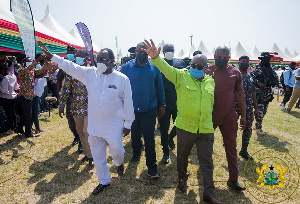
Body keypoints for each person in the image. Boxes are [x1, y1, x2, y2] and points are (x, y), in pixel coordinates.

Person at [38, 41, 135, 195]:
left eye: (103, 60)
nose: (100, 62)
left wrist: (128, 123)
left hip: (113, 126)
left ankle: (118, 163)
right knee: (98, 155)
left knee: (117, 151)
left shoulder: (122, 79)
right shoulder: (90, 74)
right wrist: (54, 57)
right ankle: (104, 180)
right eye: (99, 59)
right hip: (95, 126)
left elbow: (129, 103)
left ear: (112, 62)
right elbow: (71, 67)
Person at [143, 39, 221, 204]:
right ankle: (182, 178)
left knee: (207, 162)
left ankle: (209, 193)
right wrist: (156, 58)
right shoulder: (181, 76)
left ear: (206, 68)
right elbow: (166, 69)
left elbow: (211, 103)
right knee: (182, 157)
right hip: (186, 127)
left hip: (205, 129)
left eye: (200, 67)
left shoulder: (210, 82)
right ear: (191, 64)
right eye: (194, 65)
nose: (196, 69)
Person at [120, 42, 166, 179]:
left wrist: (162, 103)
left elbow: (160, 87)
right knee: (134, 135)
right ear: (135, 52)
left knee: (149, 138)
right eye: (140, 51)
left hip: (149, 108)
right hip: (132, 109)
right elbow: (119, 86)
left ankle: (152, 168)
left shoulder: (155, 68)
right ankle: (136, 153)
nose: (143, 53)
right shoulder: (126, 68)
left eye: (145, 51)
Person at [205, 46, 246, 191]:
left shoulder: (235, 72)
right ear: (214, 55)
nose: (221, 59)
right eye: (219, 56)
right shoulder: (206, 70)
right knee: (206, 148)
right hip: (208, 116)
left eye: (225, 57)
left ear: (229, 57)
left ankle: (233, 179)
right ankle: (205, 177)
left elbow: (240, 95)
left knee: (231, 148)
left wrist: (244, 116)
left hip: (229, 115)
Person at [59, 49, 93, 166]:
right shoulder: (71, 71)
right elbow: (66, 89)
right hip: (76, 107)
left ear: (86, 58)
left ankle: (91, 156)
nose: (77, 57)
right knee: (80, 131)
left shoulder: (92, 71)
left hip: (91, 107)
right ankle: (87, 154)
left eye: (80, 56)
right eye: (76, 55)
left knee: (87, 131)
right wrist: (62, 104)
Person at [159, 43, 185, 163]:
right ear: (163, 52)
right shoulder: (159, 64)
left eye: (171, 50)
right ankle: (165, 152)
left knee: (180, 127)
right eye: (167, 50)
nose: (169, 51)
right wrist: (160, 103)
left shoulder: (180, 63)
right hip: (164, 104)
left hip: (178, 102)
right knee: (163, 129)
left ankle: (171, 138)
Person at [16, 55, 50, 137]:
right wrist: (37, 60)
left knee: (26, 114)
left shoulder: (32, 71)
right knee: (28, 115)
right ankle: (28, 133)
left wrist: (46, 64)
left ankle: (19, 128)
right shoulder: (22, 70)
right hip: (24, 96)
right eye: (28, 61)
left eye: (31, 61)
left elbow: (41, 71)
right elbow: (28, 69)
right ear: (24, 63)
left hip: (30, 96)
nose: (30, 63)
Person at [56, 45, 81, 149]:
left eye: (71, 51)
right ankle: (76, 137)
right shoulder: (64, 65)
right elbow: (58, 79)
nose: (69, 53)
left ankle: (82, 142)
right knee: (70, 120)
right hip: (68, 97)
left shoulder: (79, 65)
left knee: (80, 120)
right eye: (68, 51)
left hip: (80, 98)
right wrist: (58, 92)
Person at [235, 56, 258, 160]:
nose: (245, 63)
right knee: (231, 126)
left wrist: (256, 108)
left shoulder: (251, 76)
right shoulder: (233, 74)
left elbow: (253, 93)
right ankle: (230, 146)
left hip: (248, 105)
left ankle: (244, 150)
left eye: (246, 62)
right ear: (238, 62)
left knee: (248, 128)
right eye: (242, 61)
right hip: (234, 105)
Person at [252, 52, 279, 135]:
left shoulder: (270, 69)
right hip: (259, 93)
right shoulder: (257, 68)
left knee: (264, 111)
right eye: (266, 58)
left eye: (269, 58)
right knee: (259, 110)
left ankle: (257, 124)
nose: (268, 60)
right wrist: (258, 82)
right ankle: (258, 128)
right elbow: (251, 77)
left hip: (267, 93)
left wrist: (277, 83)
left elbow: (275, 78)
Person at [0, 58, 19, 135]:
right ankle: (14, 126)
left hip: (6, 97)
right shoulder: (14, 76)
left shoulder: (5, 79)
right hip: (13, 96)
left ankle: (10, 128)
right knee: (13, 112)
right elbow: (16, 87)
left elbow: (4, 90)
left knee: (8, 113)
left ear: (3, 71)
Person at [32, 62, 45, 134]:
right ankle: (37, 128)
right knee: (35, 112)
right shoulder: (36, 75)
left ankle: (34, 127)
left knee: (36, 111)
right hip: (35, 95)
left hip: (39, 94)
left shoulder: (41, 75)